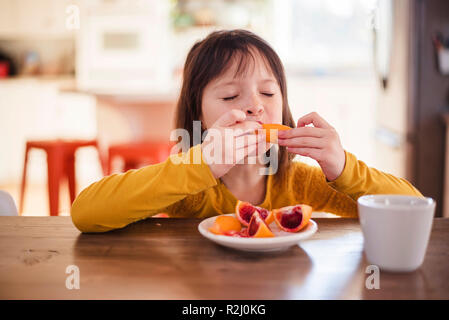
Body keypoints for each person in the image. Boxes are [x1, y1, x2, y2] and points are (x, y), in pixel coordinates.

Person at [71, 29, 422, 233]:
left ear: (283, 106)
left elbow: (414, 209)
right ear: (200, 116)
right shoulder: (187, 187)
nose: (256, 105)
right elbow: (86, 213)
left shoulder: (301, 183)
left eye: (268, 93)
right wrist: (199, 166)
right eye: (229, 95)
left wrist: (343, 168)